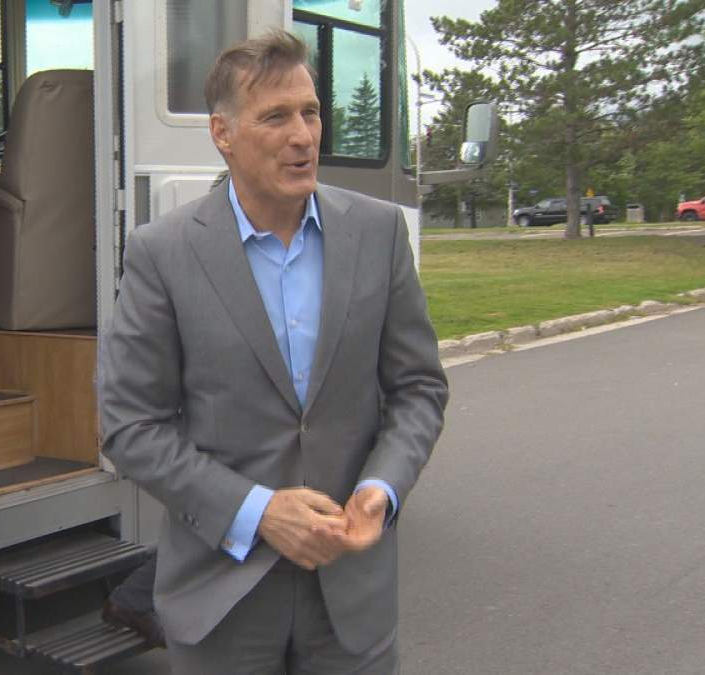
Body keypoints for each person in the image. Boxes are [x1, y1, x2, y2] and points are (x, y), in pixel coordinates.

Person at [98, 29, 448, 674]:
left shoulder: (377, 233)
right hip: (221, 597)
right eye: (276, 117)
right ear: (223, 134)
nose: (303, 136)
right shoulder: (163, 253)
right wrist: (257, 512)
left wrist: (382, 487)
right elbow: (130, 425)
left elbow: (418, 389)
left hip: (351, 596)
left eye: (311, 112)